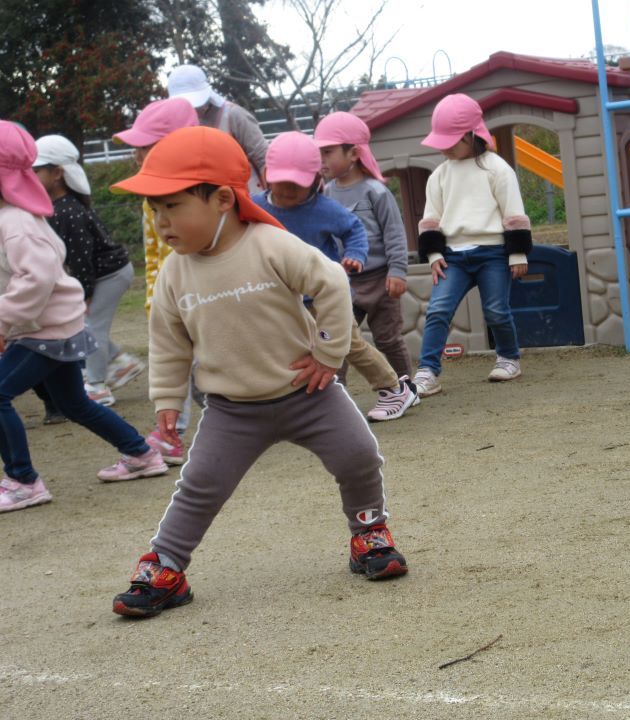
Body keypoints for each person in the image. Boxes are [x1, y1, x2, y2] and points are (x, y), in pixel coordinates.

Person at [109, 126, 408, 618]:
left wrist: (328, 355)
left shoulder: (270, 244)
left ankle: (369, 534)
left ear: (223, 198)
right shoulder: (174, 274)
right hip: (232, 410)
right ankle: (165, 564)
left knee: (359, 455)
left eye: (174, 206)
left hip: (307, 393)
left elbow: (332, 282)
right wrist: (166, 400)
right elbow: (168, 342)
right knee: (200, 484)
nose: (162, 222)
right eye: (154, 209)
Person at [0, 121, 167, 513]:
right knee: (75, 403)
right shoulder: (13, 217)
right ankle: (141, 454)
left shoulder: (16, 222)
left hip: (46, 330)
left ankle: (23, 480)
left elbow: (37, 277)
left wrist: (3, 320)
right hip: (49, 327)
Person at [254, 131, 418, 422]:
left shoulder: (323, 208)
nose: (290, 191)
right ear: (266, 175)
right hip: (285, 296)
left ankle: (395, 388)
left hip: (324, 293)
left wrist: (356, 254)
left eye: (298, 184)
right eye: (283, 184)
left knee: (346, 344)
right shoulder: (257, 208)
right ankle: (299, 402)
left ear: (316, 180)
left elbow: (354, 229)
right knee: (291, 348)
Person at [412, 94, 531, 396]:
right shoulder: (439, 175)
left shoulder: (496, 168)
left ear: (471, 135)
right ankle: (427, 372)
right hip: (453, 256)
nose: (444, 147)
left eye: (451, 140)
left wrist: (517, 253)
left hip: (493, 253)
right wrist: (434, 253)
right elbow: (430, 219)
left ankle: (508, 358)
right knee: (438, 309)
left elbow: (513, 211)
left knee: (496, 311)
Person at [113, 98, 202, 464]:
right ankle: (170, 436)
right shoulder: (148, 195)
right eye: (136, 146)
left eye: (145, 145)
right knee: (176, 366)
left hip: (204, 296)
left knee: (207, 373)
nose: (137, 154)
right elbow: (153, 254)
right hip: (170, 298)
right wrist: (154, 298)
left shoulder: (203, 191)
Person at [32, 135, 145, 407]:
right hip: (101, 274)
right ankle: (120, 364)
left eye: (36, 171)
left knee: (91, 327)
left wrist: (85, 294)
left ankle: (96, 386)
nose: (31, 176)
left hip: (109, 274)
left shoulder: (68, 211)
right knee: (88, 326)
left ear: (57, 173)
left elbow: (81, 257)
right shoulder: (59, 207)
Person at [315, 111, 414, 383]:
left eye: (328, 151)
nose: (321, 159)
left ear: (354, 154)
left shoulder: (376, 191)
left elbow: (394, 232)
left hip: (382, 279)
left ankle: (405, 387)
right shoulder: (326, 193)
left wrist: (398, 271)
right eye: (319, 152)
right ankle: (335, 393)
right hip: (345, 282)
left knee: (388, 338)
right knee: (340, 338)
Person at [166, 64, 267, 190]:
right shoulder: (180, 124)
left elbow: (263, 159)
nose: (192, 109)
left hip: (250, 196)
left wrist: (270, 201)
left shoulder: (234, 116)